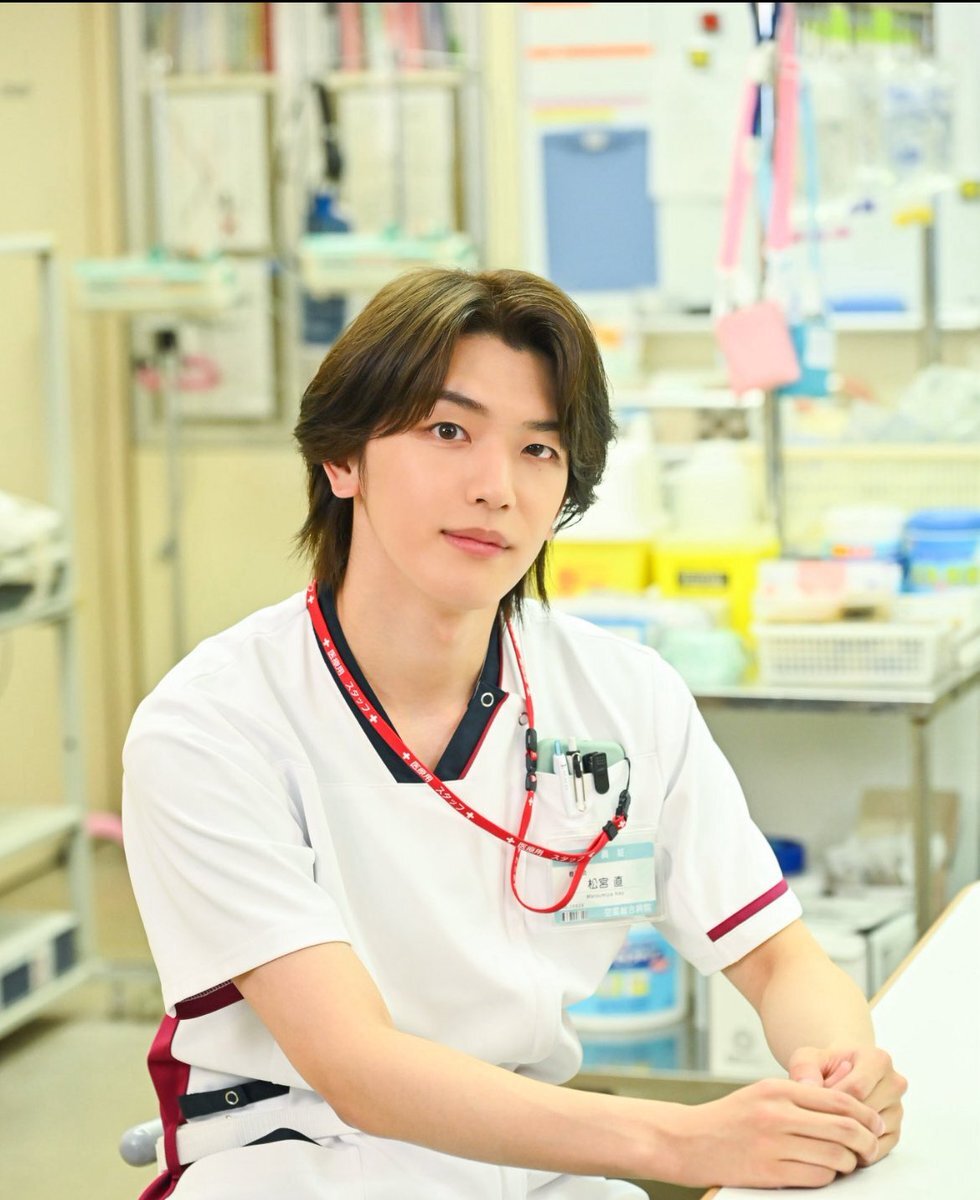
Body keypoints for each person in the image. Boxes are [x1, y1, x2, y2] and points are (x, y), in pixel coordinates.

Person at [122, 267, 906, 1200]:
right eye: (448, 431)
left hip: (535, 1158)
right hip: (299, 1162)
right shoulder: (212, 726)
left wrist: (840, 1076)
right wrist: (681, 1143)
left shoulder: (625, 695)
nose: (496, 487)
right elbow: (357, 1066)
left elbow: (779, 959)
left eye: (539, 449)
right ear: (342, 460)